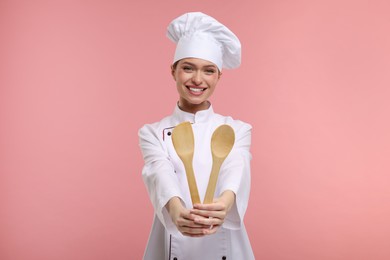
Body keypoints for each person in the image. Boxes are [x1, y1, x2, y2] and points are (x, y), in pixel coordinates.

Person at [139, 12, 255, 260]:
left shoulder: (236, 129)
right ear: (173, 71)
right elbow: (159, 172)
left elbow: (237, 165)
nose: (197, 80)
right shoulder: (152, 132)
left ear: (219, 76)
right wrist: (175, 208)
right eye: (188, 68)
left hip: (227, 244)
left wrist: (225, 202)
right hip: (171, 236)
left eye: (209, 71)